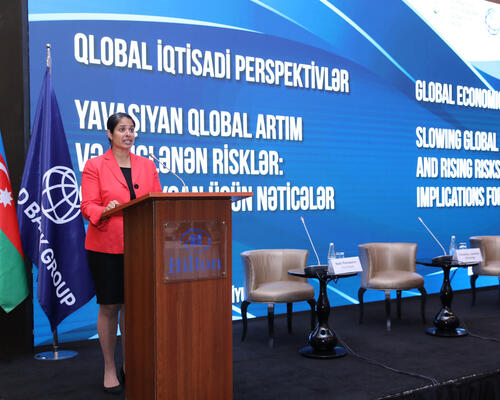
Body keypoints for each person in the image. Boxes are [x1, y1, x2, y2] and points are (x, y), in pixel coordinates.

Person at [81, 112, 162, 394]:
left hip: (141, 247)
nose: (128, 134)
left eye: (131, 129)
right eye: (122, 129)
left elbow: (156, 202)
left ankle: (131, 364)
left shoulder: (147, 165)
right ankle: (109, 367)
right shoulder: (95, 165)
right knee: (110, 307)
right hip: (106, 247)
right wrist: (104, 210)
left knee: (133, 307)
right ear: (109, 133)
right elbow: (87, 205)